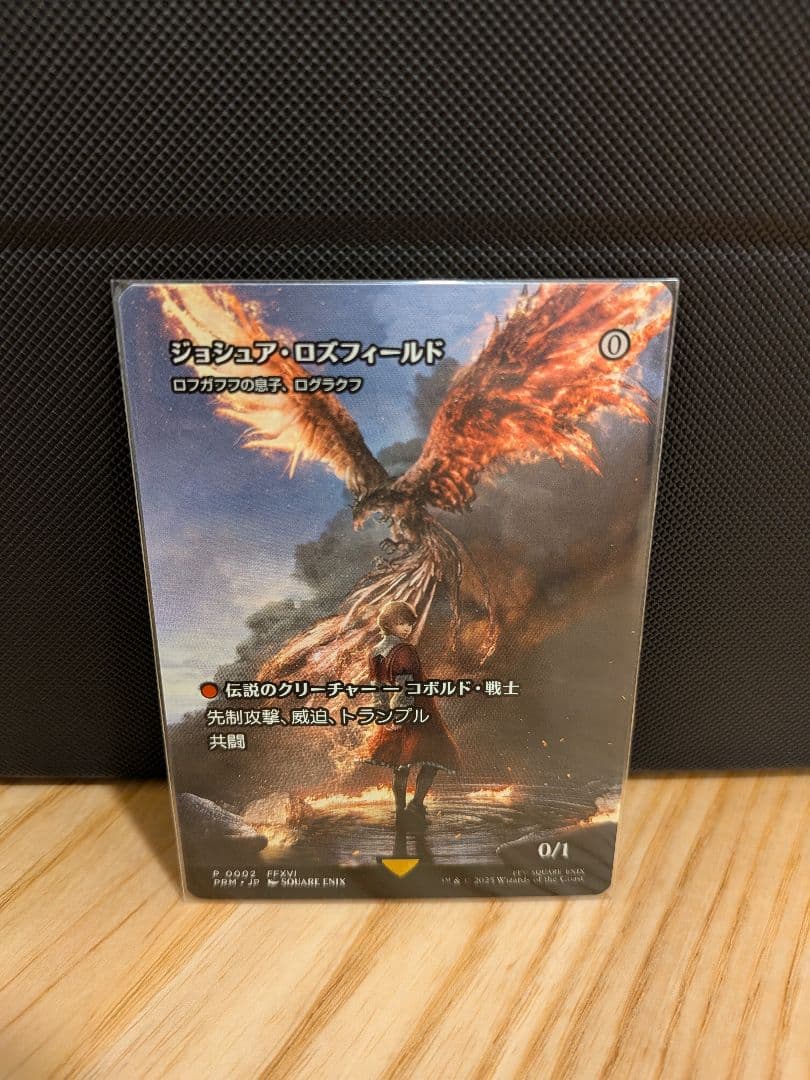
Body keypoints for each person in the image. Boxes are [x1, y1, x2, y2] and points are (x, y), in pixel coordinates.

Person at [362, 600, 461, 826]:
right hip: (416, 710)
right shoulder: (405, 651)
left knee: (402, 763)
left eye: (409, 624)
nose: (408, 628)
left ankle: (401, 813)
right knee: (435, 755)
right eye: (402, 623)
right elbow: (404, 688)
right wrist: (401, 714)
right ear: (389, 623)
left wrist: (383, 714)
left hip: (394, 713)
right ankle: (415, 806)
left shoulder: (375, 652)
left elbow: (377, 689)